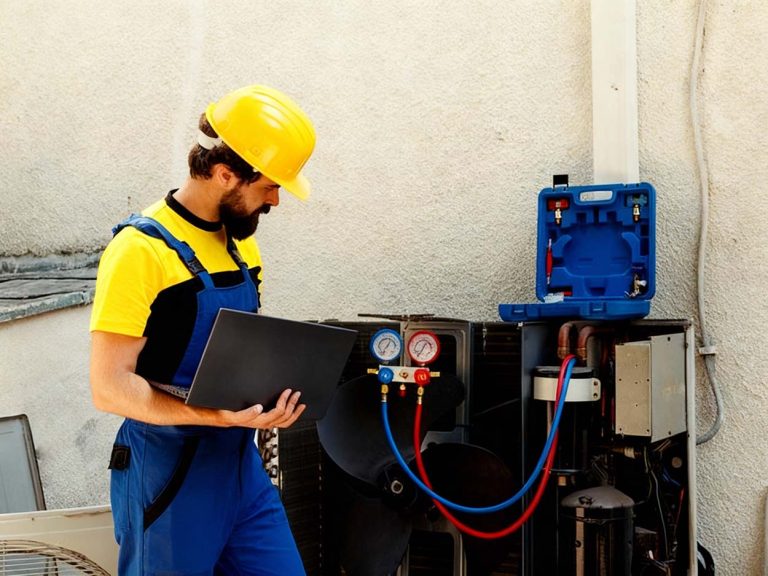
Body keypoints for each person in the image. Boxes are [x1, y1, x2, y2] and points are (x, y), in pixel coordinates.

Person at [89, 85, 315, 575]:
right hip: (167, 469)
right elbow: (109, 389)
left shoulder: (241, 247)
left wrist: (273, 401)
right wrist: (217, 416)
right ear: (224, 174)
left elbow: (239, 354)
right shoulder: (140, 252)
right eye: (270, 186)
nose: (275, 200)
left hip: (239, 468)